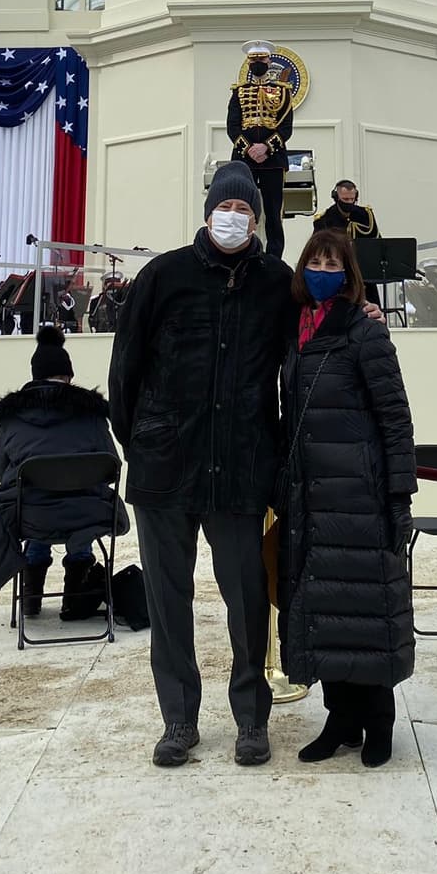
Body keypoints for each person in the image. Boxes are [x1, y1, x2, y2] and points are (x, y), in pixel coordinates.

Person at [109, 163, 293, 769]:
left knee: (246, 597)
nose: (234, 217)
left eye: (245, 209)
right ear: (208, 210)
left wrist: (361, 313)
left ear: (258, 218)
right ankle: (179, 719)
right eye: (225, 206)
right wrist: (142, 440)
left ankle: (250, 720)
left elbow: (303, 355)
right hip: (166, 469)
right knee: (168, 599)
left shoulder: (276, 282)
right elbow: (125, 371)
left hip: (242, 468)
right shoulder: (163, 276)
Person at [278, 229, 416, 768]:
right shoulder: (295, 332)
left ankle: (378, 721)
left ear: (350, 271)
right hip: (310, 497)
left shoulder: (366, 332)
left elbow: (396, 420)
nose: (323, 269)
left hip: (360, 494)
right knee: (325, 610)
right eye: (315, 260)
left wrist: (399, 496)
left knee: (368, 610)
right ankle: (339, 719)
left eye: (333, 261)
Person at [0, 327, 128, 616]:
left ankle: (31, 597)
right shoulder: (91, 413)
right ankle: (74, 597)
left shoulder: (10, 417)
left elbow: (1, 471)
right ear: (69, 376)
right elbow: (110, 466)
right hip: (88, 512)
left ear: (34, 377)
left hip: (32, 518)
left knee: (33, 497)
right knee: (78, 503)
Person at [226, 40, 293, 260]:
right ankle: (239, 252)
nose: (257, 63)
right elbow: (233, 127)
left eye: (261, 59)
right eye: (253, 60)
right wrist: (249, 150)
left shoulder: (283, 92)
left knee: (273, 213)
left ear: (269, 60)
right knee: (241, 207)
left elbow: (285, 128)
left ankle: (274, 258)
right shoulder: (238, 92)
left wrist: (265, 147)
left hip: (272, 159)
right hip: (244, 159)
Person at [314, 180, 379, 242]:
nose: (350, 202)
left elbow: (377, 241)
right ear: (336, 197)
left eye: (352, 199)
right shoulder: (325, 219)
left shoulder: (366, 214)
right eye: (346, 199)